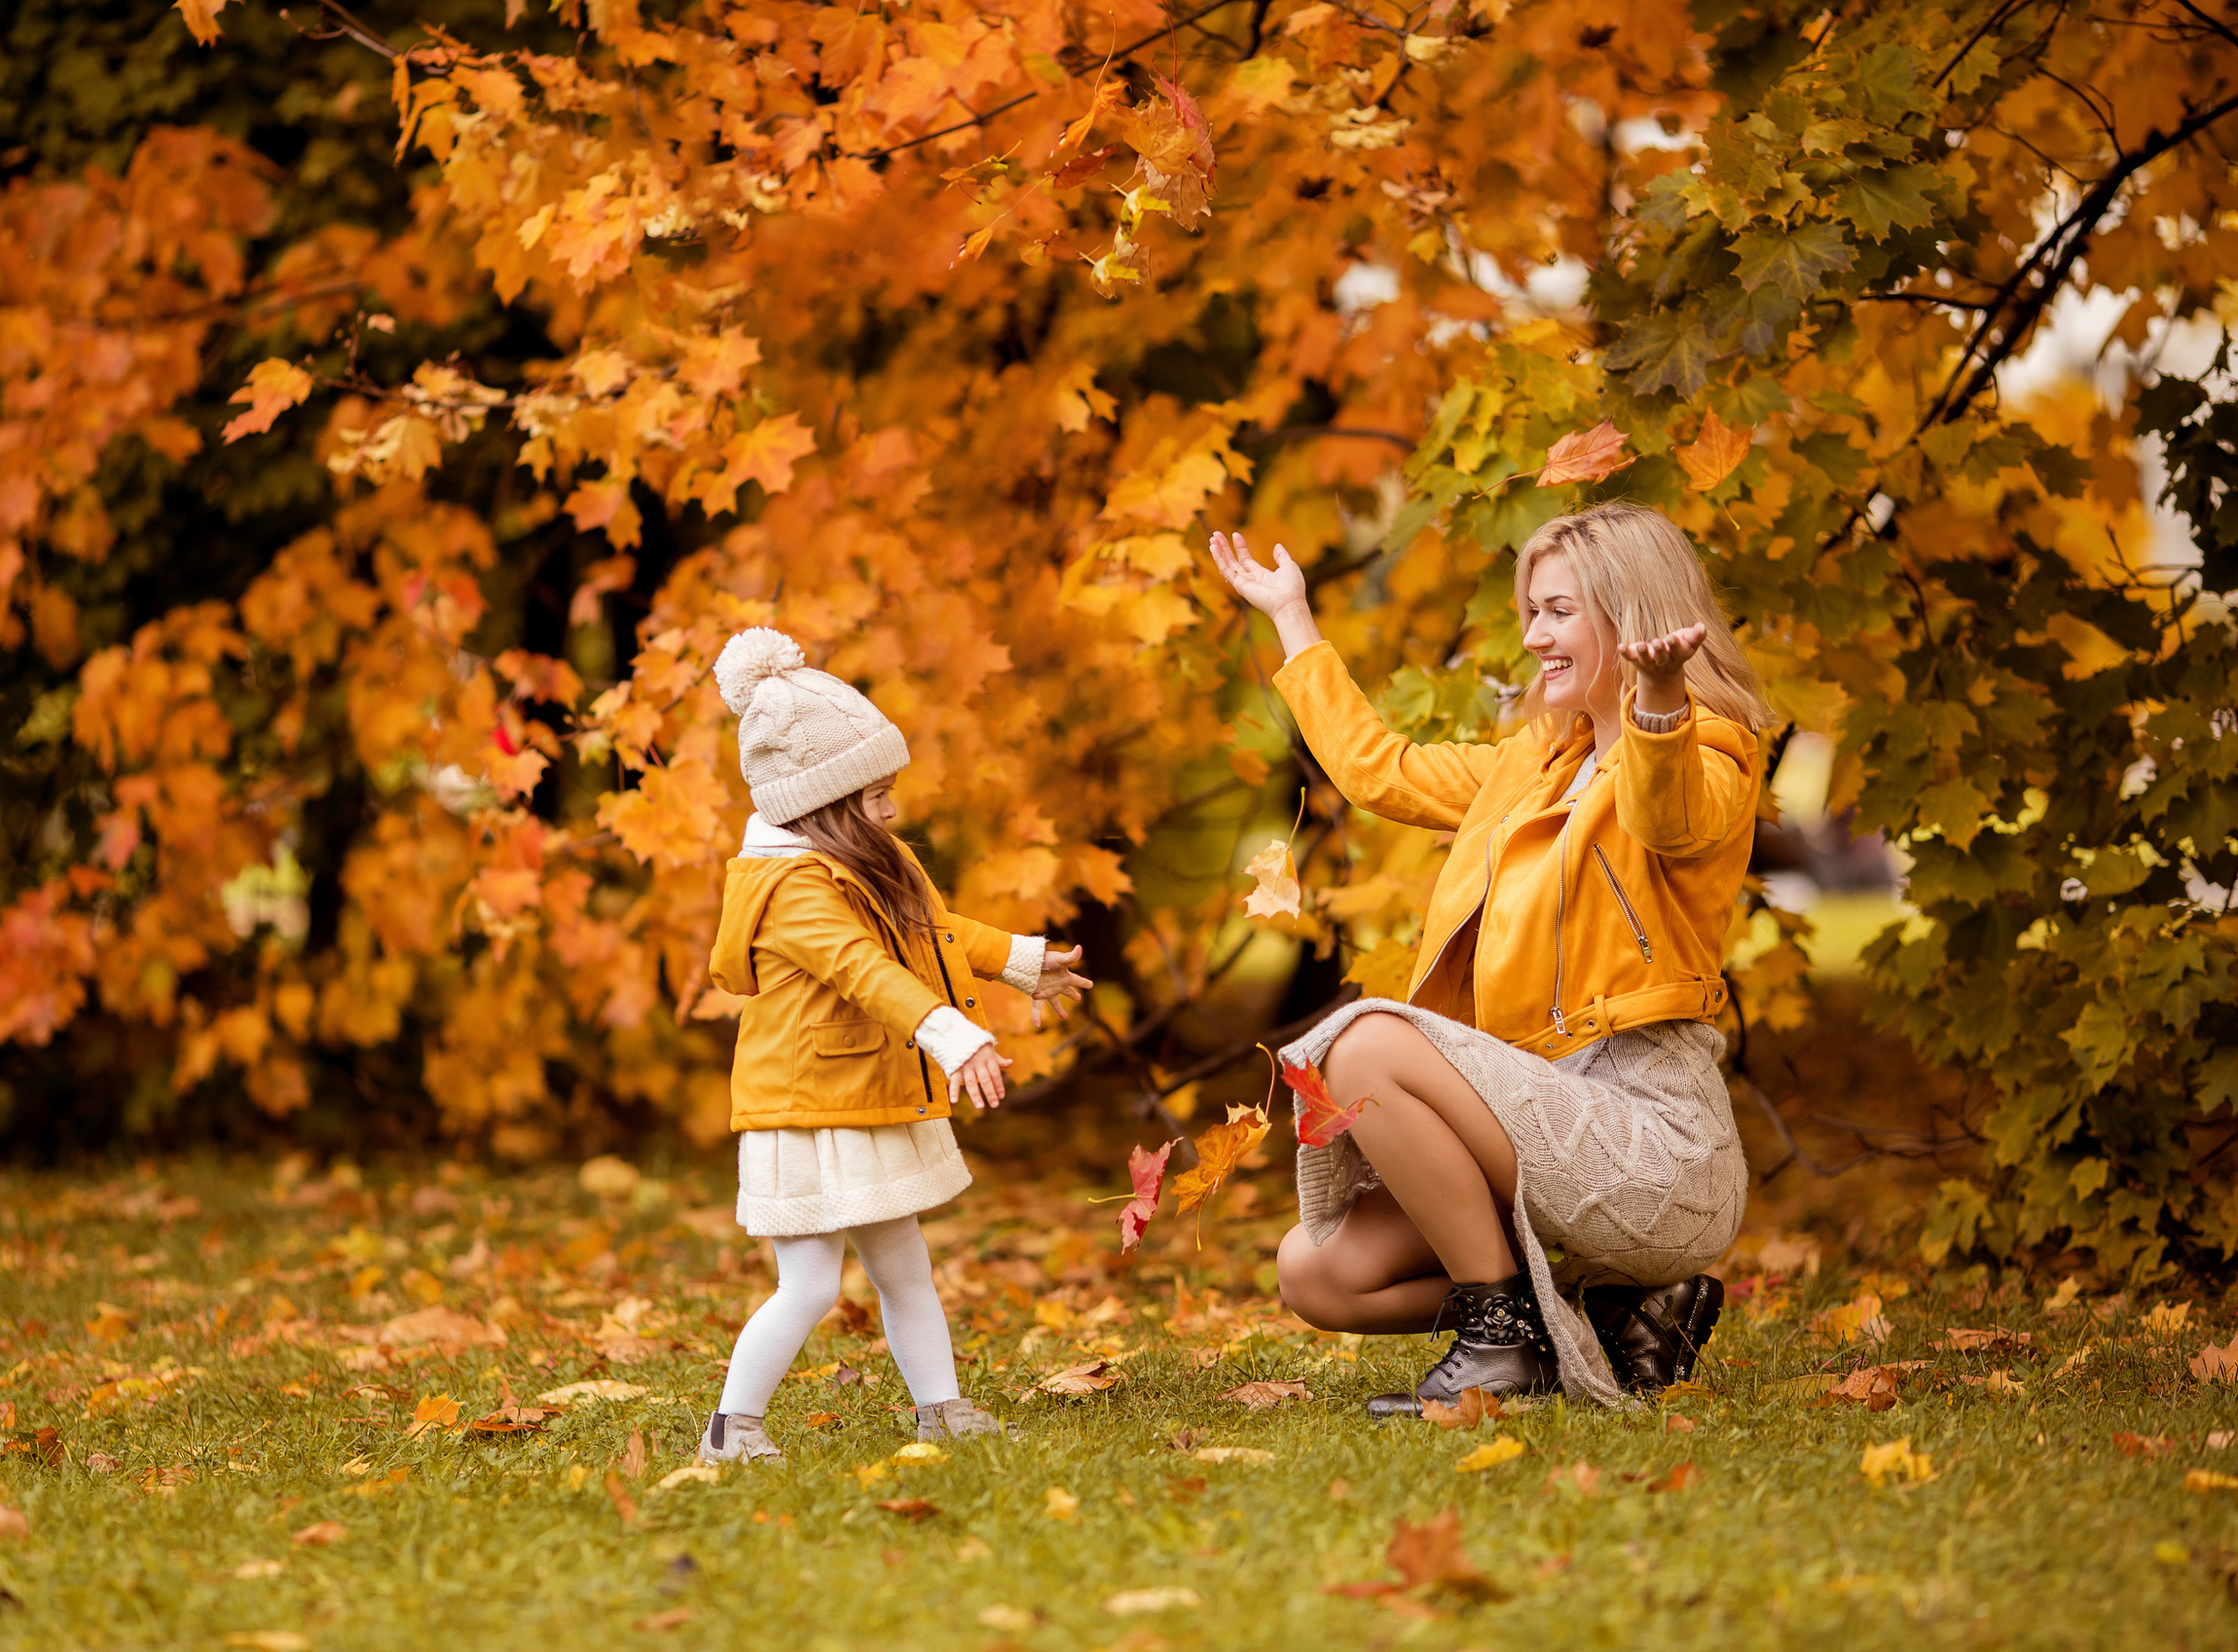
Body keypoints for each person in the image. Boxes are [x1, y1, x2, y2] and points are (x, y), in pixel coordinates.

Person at [1206, 500, 1771, 1411]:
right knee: (1315, 1273)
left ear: (1629, 616)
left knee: (1364, 1042)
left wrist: (1659, 700)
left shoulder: (1710, 751)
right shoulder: (1537, 762)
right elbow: (1379, 768)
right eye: (1530, 612)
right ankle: (1619, 1313)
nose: (1534, 635)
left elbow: (1663, 817)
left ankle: (1504, 1344)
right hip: (1544, 1113)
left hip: (1654, 1141)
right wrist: (1291, 617)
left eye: (1557, 611)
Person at [697, 628, 1093, 1461]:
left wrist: (1023, 962)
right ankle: (732, 1427)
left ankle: (940, 1406)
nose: (892, 809)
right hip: (806, 1112)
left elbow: (932, 931)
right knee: (806, 1286)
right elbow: (864, 971)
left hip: (865, 1098)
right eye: (876, 795)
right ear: (824, 803)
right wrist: (956, 1038)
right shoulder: (793, 889)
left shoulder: (869, 858)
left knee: (905, 1268)